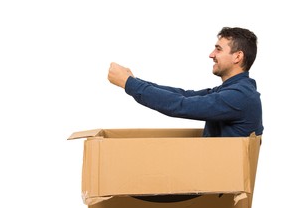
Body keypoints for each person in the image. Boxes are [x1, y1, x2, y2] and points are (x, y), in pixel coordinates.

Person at [107, 27, 263, 137]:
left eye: (218, 49)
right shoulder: (232, 91)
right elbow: (184, 95)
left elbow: (181, 105)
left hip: (225, 182)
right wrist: (134, 80)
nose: (211, 54)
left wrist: (128, 84)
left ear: (237, 57)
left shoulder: (239, 96)